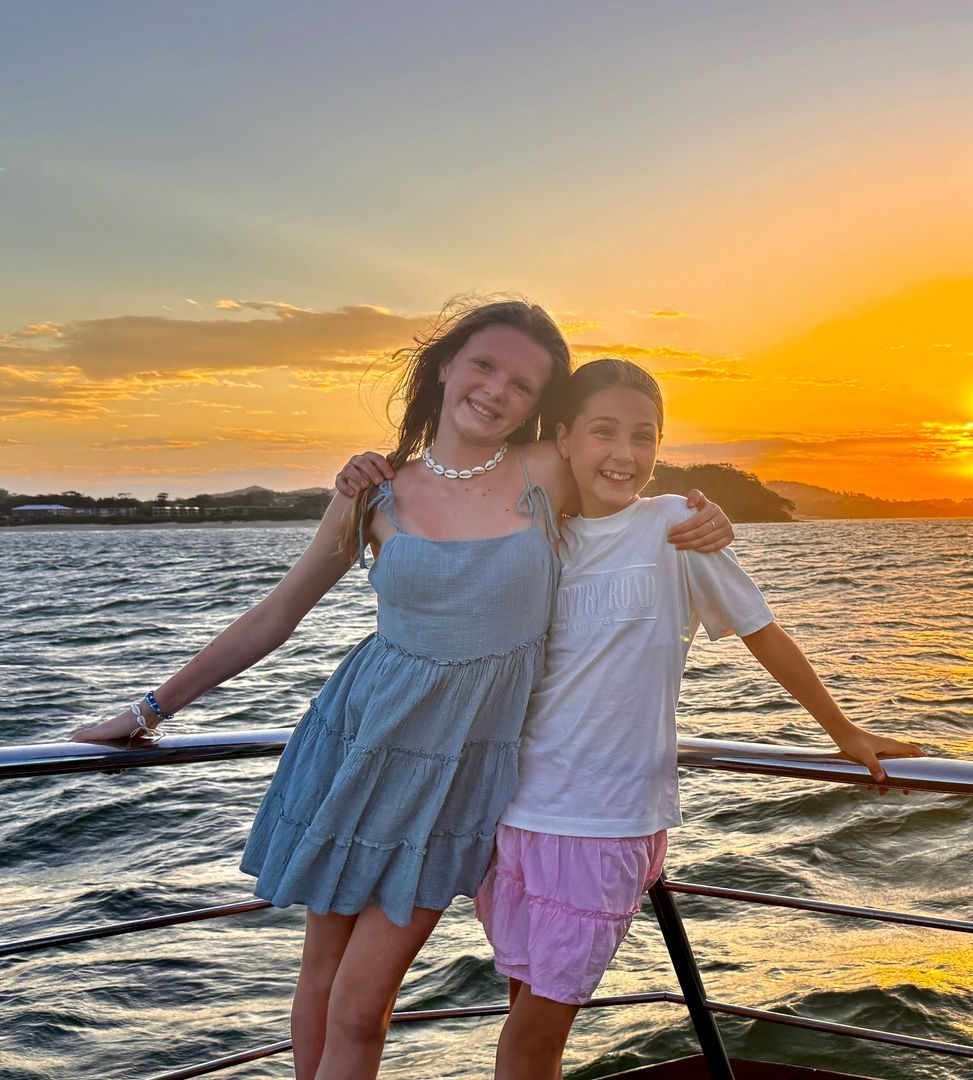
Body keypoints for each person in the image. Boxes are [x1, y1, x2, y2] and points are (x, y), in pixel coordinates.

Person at [70, 300, 735, 1080]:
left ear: (539, 407)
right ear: (446, 366)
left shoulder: (547, 470)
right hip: (359, 744)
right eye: (484, 364)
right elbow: (278, 614)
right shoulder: (374, 492)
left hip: (457, 771)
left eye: (522, 384)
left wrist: (705, 516)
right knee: (322, 980)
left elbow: (626, 486)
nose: (496, 390)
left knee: (361, 1004)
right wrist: (149, 708)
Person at [478, 358, 923, 1079]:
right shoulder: (539, 534)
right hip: (518, 813)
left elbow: (761, 632)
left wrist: (843, 732)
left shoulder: (675, 526)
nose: (623, 453)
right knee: (524, 1022)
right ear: (563, 437)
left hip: (606, 820)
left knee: (531, 1041)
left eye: (643, 436)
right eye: (602, 431)